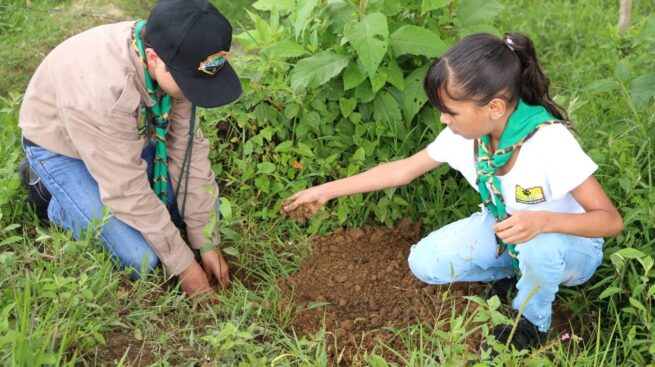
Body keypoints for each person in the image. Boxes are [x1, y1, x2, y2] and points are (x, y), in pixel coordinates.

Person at [281, 32, 623, 351]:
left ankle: (531, 323)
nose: (444, 120)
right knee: (426, 263)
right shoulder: (466, 137)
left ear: (494, 108)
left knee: (538, 246)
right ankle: (518, 274)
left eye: (451, 111)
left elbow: (609, 221)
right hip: (509, 229)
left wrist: (543, 222)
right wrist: (326, 191)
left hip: (571, 247)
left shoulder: (548, 142)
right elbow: (403, 170)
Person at [18, 0, 241, 301]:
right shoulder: (101, 92)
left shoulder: (178, 56)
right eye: (190, 83)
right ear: (153, 58)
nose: (194, 92)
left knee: (205, 213)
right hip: (63, 151)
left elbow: (187, 153)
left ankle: (100, 193)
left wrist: (207, 242)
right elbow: (127, 189)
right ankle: (50, 196)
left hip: (123, 144)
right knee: (142, 259)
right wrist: (186, 267)